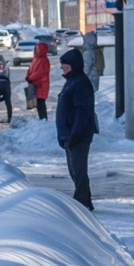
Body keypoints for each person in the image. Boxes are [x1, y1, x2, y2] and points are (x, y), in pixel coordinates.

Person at [55, 46, 99, 211]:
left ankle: (80, 203)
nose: (62, 67)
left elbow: (83, 110)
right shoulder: (71, 82)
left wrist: (75, 133)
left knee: (78, 171)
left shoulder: (80, 83)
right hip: (69, 134)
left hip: (77, 136)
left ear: (73, 64)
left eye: (65, 64)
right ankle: (85, 201)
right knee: (75, 171)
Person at [25, 39, 53, 121]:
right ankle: (42, 119)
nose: (36, 50)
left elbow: (40, 72)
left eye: (38, 48)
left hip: (41, 85)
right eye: (36, 48)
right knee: (38, 103)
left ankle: (43, 119)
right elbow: (30, 69)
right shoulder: (35, 59)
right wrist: (27, 76)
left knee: (41, 103)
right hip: (35, 85)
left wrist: (30, 78)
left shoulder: (44, 60)